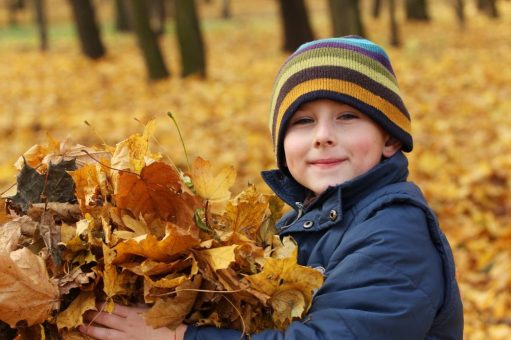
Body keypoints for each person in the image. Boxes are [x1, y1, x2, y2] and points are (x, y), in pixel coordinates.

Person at [79, 36, 464, 340]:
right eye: (303, 122)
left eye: (348, 117)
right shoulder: (302, 224)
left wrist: (182, 336)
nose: (324, 136)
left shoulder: (395, 232)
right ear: (282, 145)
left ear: (390, 140)